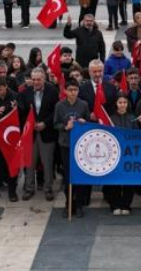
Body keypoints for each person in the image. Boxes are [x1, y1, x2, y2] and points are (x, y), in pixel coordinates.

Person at [19, 68, 58, 201]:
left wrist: (45, 123)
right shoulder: (25, 93)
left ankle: (48, 189)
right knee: (29, 163)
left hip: (47, 133)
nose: (35, 82)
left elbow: (56, 112)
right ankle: (29, 188)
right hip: (30, 134)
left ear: (44, 79)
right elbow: (22, 113)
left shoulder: (52, 91)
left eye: (38, 79)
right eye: (33, 79)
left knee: (47, 164)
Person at [54, 80, 91, 218]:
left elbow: (89, 124)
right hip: (65, 144)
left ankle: (80, 204)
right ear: (65, 91)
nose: (72, 92)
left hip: (81, 146)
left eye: (75, 90)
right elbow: (55, 124)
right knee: (68, 176)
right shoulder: (59, 106)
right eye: (70, 90)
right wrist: (65, 127)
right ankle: (69, 204)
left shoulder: (83, 105)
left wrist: (83, 122)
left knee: (80, 175)